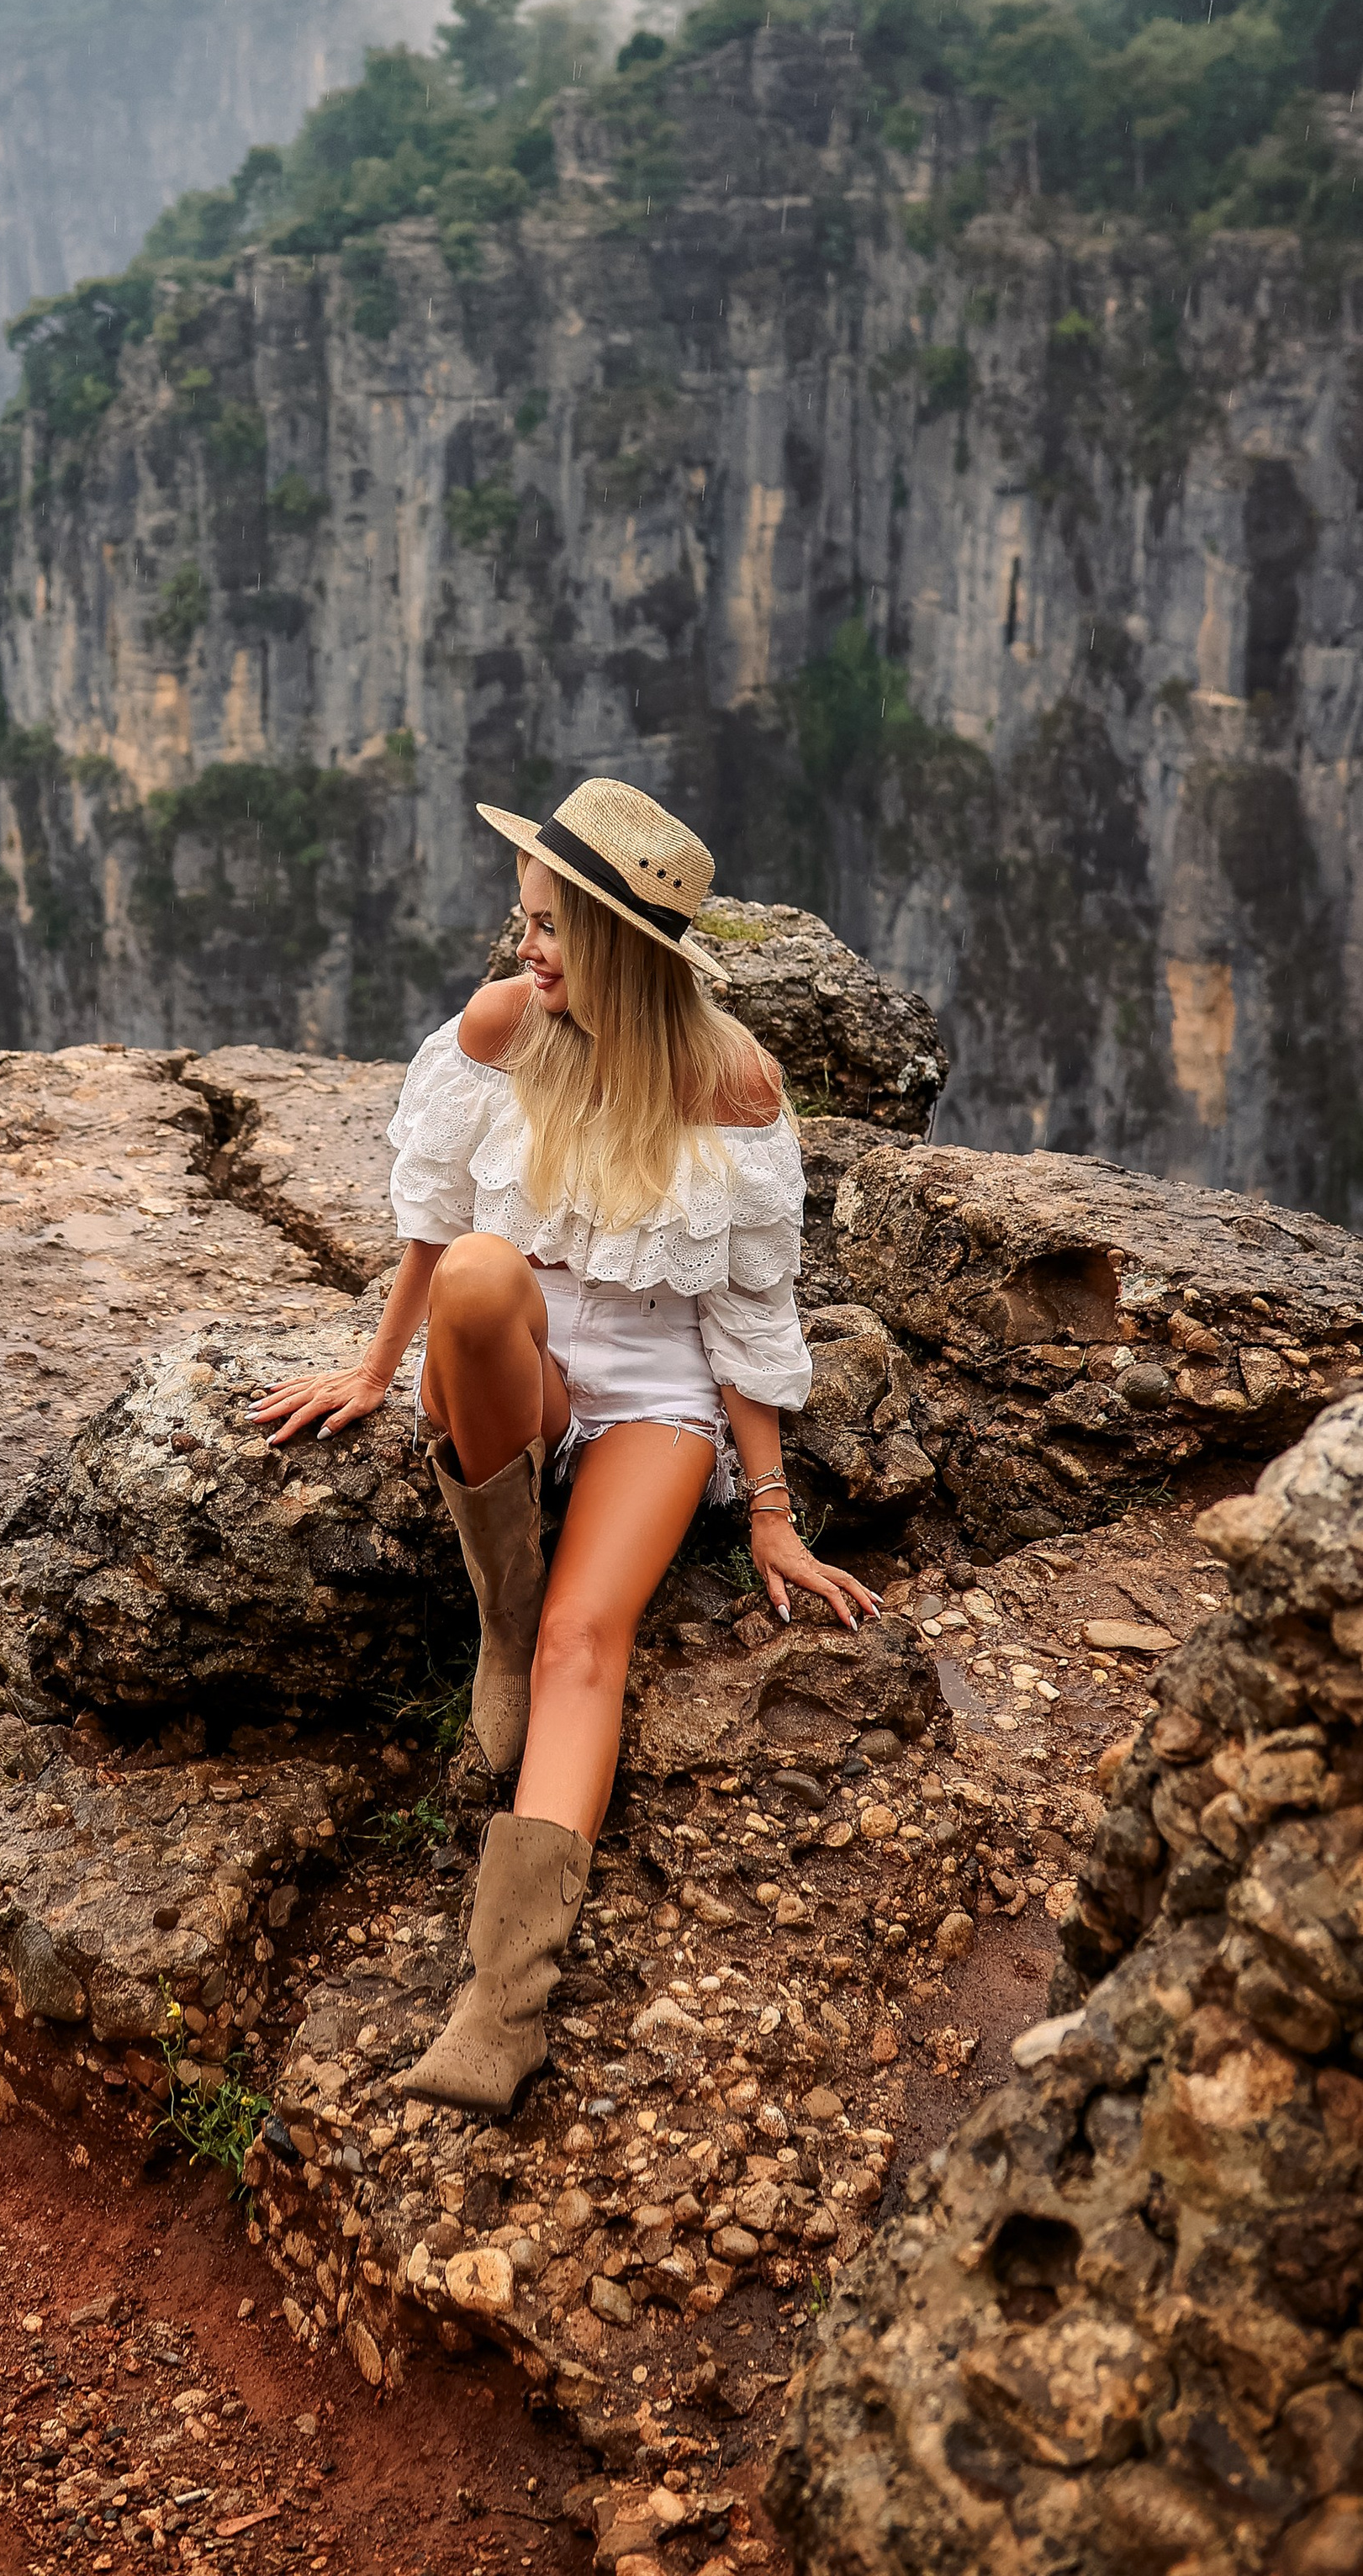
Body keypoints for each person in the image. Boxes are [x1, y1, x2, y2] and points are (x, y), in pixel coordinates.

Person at [251, 778, 880, 2115]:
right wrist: (373, 1368)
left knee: (587, 1646)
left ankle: (504, 2007)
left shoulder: (732, 1083)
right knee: (483, 1270)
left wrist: (769, 1510)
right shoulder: (502, 1028)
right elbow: (432, 1224)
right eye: (525, 918)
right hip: (513, 1361)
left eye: (549, 928)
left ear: (620, 947)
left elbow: (747, 1311)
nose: (523, 947)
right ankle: (503, 1609)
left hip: (654, 1384)